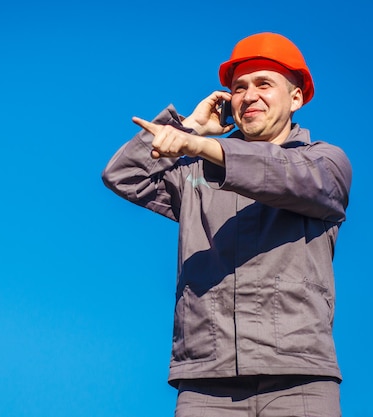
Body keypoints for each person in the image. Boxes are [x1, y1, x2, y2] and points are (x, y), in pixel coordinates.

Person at [101, 32, 352, 416]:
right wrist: (189, 128)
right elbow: (124, 176)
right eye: (239, 88)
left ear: (297, 97)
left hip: (298, 378)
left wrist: (199, 147)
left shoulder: (324, 162)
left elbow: (285, 176)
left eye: (264, 84)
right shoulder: (194, 171)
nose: (249, 96)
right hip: (206, 382)